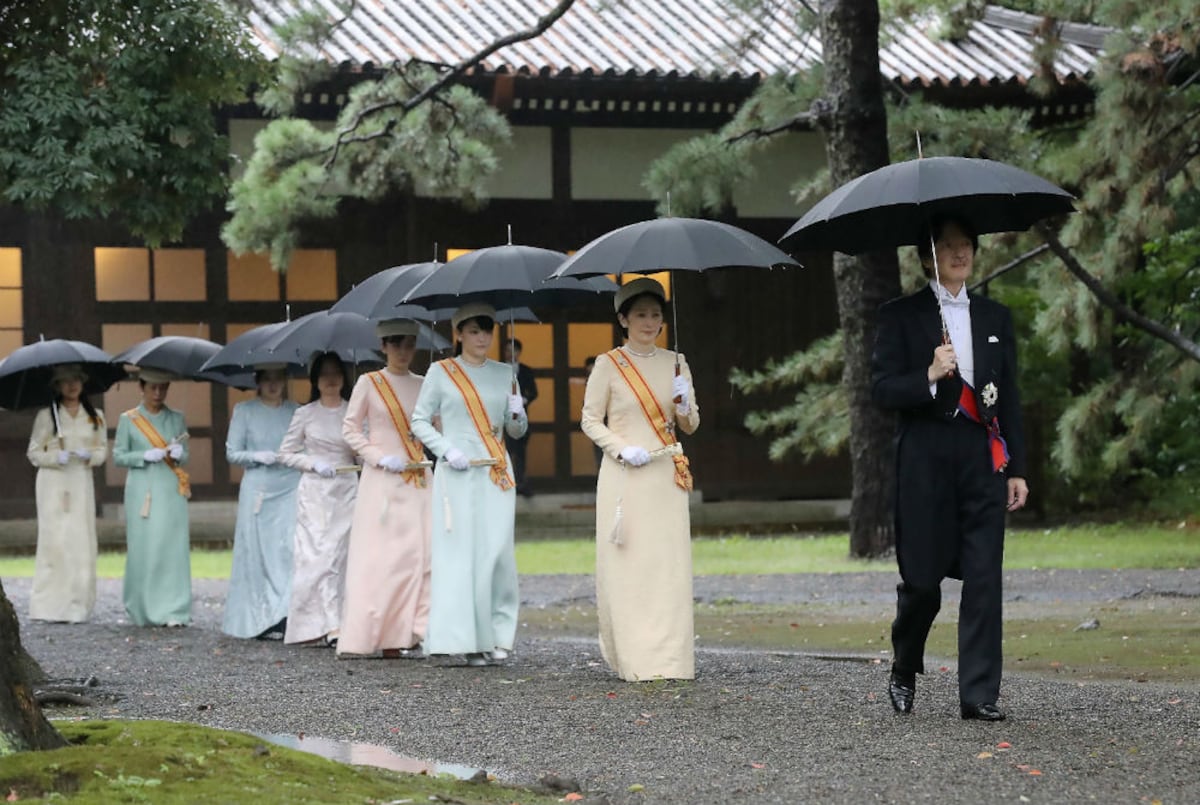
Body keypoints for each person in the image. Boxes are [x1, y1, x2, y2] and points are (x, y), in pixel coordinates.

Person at [871, 214, 1029, 721]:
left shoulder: (996, 318)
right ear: (926, 257)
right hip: (924, 458)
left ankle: (979, 693)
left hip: (982, 458)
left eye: (966, 244)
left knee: (985, 575)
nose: (960, 253)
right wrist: (929, 375)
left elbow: (1011, 399)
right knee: (921, 579)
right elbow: (881, 391)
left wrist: (1018, 468)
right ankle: (904, 664)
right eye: (948, 245)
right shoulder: (899, 316)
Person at [580, 277, 699, 681]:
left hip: (666, 476)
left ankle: (672, 660)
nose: (650, 322)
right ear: (623, 319)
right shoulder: (609, 364)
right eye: (641, 315)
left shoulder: (676, 362)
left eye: (656, 315)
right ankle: (636, 658)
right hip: (626, 476)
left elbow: (690, 425)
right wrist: (618, 447)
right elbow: (590, 419)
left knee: (667, 567)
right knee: (631, 564)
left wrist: (683, 403)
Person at [410, 302, 527, 667]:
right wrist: (447, 450)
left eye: (487, 330)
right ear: (458, 333)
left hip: (495, 472)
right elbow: (419, 420)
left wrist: (518, 413)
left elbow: (515, 430)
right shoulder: (441, 371)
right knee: (459, 555)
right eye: (473, 331)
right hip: (457, 474)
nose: (482, 338)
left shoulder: (505, 372)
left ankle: (496, 635)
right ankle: (462, 639)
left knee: (496, 553)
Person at [339, 320, 432, 658]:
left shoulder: (424, 383)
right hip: (382, 480)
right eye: (396, 344)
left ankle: (412, 631)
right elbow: (350, 429)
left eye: (408, 344)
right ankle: (379, 632)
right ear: (383, 346)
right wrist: (378, 457)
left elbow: (438, 424)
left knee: (420, 554)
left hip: (418, 478)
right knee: (382, 558)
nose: (403, 351)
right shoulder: (370, 382)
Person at [278, 352, 358, 647]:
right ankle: (322, 624)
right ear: (316, 380)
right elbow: (285, 453)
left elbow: (362, 448)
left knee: (342, 555)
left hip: (347, 489)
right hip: (315, 492)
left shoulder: (352, 411)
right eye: (324, 374)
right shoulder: (305, 414)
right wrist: (313, 463)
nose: (331, 379)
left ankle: (342, 622)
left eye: (336, 373)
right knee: (319, 555)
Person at [222, 364, 301, 640]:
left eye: (278, 378)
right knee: (257, 552)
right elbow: (232, 452)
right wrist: (257, 455)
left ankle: (285, 614)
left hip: (290, 486)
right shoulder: (245, 411)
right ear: (258, 382)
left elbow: (305, 445)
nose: (272, 384)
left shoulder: (296, 411)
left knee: (287, 550)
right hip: (258, 488)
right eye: (266, 379)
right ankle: (258, 617)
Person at [25, 364, 108, 623]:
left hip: (80, 480)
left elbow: (102, 450)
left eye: (76, 381)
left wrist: (89, 456)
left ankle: (77, 605)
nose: (72, 386)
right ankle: (48, 605)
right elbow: (34, 452)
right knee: (54, 540)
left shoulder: (96, 417)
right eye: (65, 381)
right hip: (53, 482)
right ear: (57, 387)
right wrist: (54, 457)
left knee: (80, 540)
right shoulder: (47, 417)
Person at [112, 367, 192, 627]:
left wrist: (179, 452)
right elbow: (119, 456)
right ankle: (142, 606)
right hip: (143, 490)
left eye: (163, 388)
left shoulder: (176, 418)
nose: (158, 393)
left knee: (172, 547)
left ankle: (174, 609)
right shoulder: (129, 419)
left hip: (170, 488)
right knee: (145, 546)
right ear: (142, 388)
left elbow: (186, 452)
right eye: (152, 388)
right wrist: (143, 456)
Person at [500, 338, 538, 497]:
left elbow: (534, 392)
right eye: (508, 350)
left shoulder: (526, 370)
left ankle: (521, 483)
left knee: (520, 452)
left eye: (514, 350)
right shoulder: (498, 369)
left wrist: (524, 400)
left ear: (519, 352)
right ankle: (504, 482)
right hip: (502, 416)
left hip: (521, 415)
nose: (511, 353)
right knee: (505, 451)